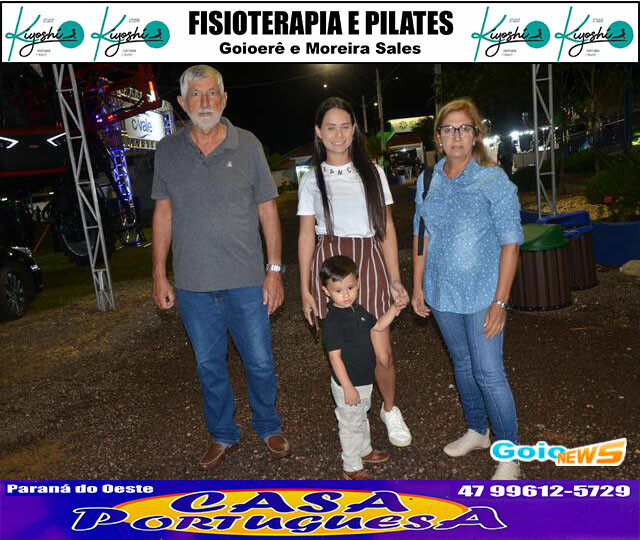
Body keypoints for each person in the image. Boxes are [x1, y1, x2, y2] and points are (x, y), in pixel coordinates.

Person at [151, 65, 290, 470]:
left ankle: (269, 426)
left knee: (260, 362)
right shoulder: (168, 151)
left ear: (225, 99)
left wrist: (275, 270)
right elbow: (163, 214)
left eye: (212, 93)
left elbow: (267, 211)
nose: (205, 102)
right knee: (209, 366)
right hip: (193, 286)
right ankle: (223, 433)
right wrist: (159, 273)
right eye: (196, 95)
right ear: (182, 102)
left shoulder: (248, 145)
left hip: (247, 282)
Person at [412, 99, 524, 480]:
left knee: (488, 371)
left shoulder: (493, 180)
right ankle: (477, 430)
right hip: (442, 293)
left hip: (482, 294)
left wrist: (500, 301)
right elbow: (421, 235)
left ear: (476, 134)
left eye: (464, 128)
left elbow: (511, 243)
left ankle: (510, 454)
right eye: (448, 129)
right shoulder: (429, 179)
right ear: (439, 137)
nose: (456, 136)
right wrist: (417, 285)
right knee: (462, 364)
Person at [297, 97, 412, 448]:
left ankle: (389, 409)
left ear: (354, 130)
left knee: (382, 352)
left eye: (345, 126)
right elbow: (306, 235)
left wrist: (395, 278)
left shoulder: (373, 172)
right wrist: (305, 289)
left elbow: (386, 228)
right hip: (330, 264)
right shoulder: (311, 179)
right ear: (318, 132)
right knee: (346, 351)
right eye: (330, 127)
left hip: (370, 262)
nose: (338, 134)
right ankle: (354, 420)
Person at [320, 255, 406, 479]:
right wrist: (348, 387)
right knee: (350, 424)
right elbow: (335, 358)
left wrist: (394, 308)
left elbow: (377, 327)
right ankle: (351, 466)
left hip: (364, 379)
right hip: (348, 383)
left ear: (358, 284)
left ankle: (364, 451)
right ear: (327, 291)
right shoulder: (333, 323)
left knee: (361, 417)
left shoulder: (357, 311)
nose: (346, 295)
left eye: (350, 288)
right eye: (338, 290)